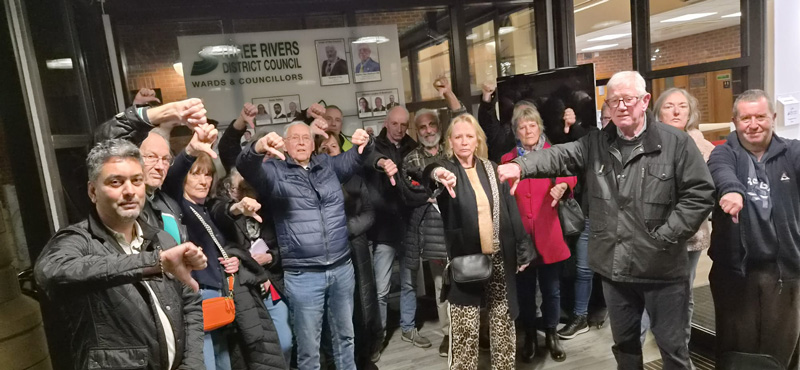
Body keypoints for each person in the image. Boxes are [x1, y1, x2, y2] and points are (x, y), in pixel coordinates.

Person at [497, 70, 715, 370]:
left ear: (645, 101)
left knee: (673, 349)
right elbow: (559, 156)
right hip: (615, 272)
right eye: (615, 101)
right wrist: (521, 165)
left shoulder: (676, 143)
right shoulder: (595, 143)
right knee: (625, 349)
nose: (622, 106)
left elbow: (700, 194)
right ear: (608, 107)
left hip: (661, 271)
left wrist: (666, 236)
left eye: (628, 99)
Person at [35, 139, 208, 370]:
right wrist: (154, 263)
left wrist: (193, 365)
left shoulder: (161, 239)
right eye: (116, 182)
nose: (129, 191)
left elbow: (191, 303)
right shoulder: (79, 239)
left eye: (137, 181)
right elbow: (50, 272)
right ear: (93, 191)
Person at [236, 121, 375, 370]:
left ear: (313, 144)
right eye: (295, 138)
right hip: (303, 276)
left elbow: (355, 157)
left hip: (342, 268)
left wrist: (366, 140)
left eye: (306, 138)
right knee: (309, 350)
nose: (301, 142)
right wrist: (258, 146)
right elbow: (245, 164)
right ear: (286, 145)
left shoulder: (328, 165)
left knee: (345, 338)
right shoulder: (273, 173)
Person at [424, 113, 535, 369]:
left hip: (499, 257)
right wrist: (438, 173)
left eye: (469, 136)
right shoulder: (446, 170)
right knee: (465, 328)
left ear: (477, 141)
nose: (464, 142)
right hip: (466, 261)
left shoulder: (492, 168)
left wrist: (522, 247)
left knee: (502, 322)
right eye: (458, 137)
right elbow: (427, 172)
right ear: (450, 141)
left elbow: (510, 210)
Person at [708, 89, 800, 369]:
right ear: (735, 121)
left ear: (772, 117)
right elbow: (722, 173)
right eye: (745, 118)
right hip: (735, 271)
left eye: (760, 116)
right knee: (736, 347)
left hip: (784, 269)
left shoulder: (793, 152)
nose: (753, 124)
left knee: (781, 348)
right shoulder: (724, 153)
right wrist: (733, 191)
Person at [160, 124, 243, 370]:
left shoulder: (204, 209)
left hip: (216, 292)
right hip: (197, 294)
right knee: (205, 362)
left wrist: (232, 260)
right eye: (196, 174)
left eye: (207, 175)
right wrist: (189, 153)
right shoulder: (178, 206)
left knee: (223, 361)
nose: (203, 180)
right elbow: (172, 178)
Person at [639, 88, 715, 345]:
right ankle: (650, 341)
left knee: (684, 289)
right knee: (647, 288)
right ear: (658, 111)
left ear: (690, 112)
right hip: (651, 234)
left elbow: (703, 194)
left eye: (682, 106)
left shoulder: (705, 148)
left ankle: (680, 344)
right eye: (669, 106)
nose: (676, 111)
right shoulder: (646, 143)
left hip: (690, 234)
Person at [501, 104, 575, 362]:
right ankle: (531, 335)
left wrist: (564, 185)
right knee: (525, 293)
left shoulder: (553, 153)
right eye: (522, 126)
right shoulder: (507, 160)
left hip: (549, 234)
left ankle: (552, 334)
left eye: (532, 125)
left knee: (551, 290)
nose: (528, 130)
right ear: (516, 132)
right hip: (521, 240)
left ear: (539, 127)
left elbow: (571, 175)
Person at [93, 97, 208, 244]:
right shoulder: (127, 203)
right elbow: (108, 140)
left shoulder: (167, 202)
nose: (160, 166)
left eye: (165, 159)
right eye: (151, 157)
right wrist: (163, 112)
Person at [365, 106, 429, 362]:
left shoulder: (414, 148)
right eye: (395, 124)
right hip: (383, 228)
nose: (399, 129)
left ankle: (408, 327)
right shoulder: (373, 146)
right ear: (386, 123)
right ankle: (378, 338)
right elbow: (367, 162)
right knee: (380, 288)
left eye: (404, 125)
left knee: (410, 283)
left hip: (410, 225)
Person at [316, 133, 382, 369]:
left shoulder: (355, 177)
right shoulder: (316, 182)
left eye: (333, 146)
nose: (329, 150)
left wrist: (344, 229)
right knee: (338, 308)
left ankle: (365, 353)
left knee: (363, 302)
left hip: (356, 245)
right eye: (324, 148)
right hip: (330, 253)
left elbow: (369, 213)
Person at [400, 108, 451, 357]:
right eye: (422, 127)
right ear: (415, 130)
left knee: (469, 280)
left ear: (439, 126)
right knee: (441, 285)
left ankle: (473, 330)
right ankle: (449, 335)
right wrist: (430, 195)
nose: (429, 130)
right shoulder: (410, 160)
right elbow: (408, 194)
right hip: (431, 233)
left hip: (459, 227)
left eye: (432, 124)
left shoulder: (452, 150)